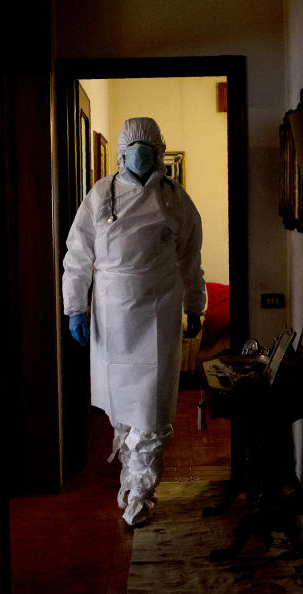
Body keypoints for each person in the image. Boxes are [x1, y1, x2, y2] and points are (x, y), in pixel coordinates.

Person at [62, 117, 206, 526]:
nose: (141, 154)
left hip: (159, 313)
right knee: (123, 408)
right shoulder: (99, 196)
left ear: (160, 151)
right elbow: (77, 256)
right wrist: (75, 306)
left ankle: (142, 493)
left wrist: (195, 304)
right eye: (135, 147)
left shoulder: (176, 200)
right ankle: (130, 478)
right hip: (112, 314)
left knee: (152, 407)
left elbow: (190, 258)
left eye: (148, 147)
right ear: (122, 153)